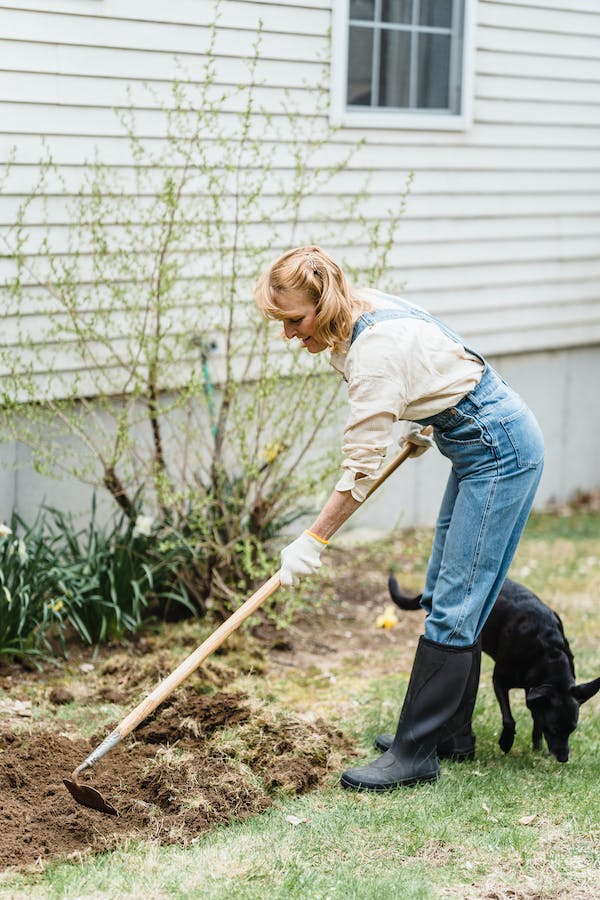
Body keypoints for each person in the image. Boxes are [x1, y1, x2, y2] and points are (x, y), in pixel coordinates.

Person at [254, 245, 545, 791]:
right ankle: (449, 734)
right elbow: (443, 350)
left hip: (499, 450)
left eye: (295, 320)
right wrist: (428, 420)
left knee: (458, 598)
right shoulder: (360, 311)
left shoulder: (374, 352)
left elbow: (359, 468)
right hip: (475, 438)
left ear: (327, 301)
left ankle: (415, 754)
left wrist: (312, 540)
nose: (289, 335)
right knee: (444, 589)